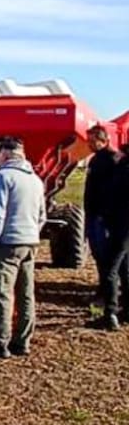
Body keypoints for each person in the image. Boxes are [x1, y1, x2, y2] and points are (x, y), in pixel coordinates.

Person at [0, 137, 47, 358]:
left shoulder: (2, 177)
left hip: (7, 243)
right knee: (26, 293)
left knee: (0, 291)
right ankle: (22, 341)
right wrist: (32, 234)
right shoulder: (36, 180)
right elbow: (42, 216)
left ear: (6, 154)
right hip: (30, 241)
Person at [85, 125, 117, 302]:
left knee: (106, 257)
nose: (89, 144)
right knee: (98, 255)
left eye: (92, 141)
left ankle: (107, 293)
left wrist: (106, 215)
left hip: (103, 217)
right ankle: (103, 288)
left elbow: (113, 191)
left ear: (102, 140)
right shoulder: (95, 160)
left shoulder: (112, 160)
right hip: (93, 214)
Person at [99, 143, 129, 330]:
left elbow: (113, 198)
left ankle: (110, 313)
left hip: (121, 225)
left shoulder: (122, 172)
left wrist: (107, 220)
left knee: (109, 268)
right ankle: (127, 309)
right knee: (125, 266)